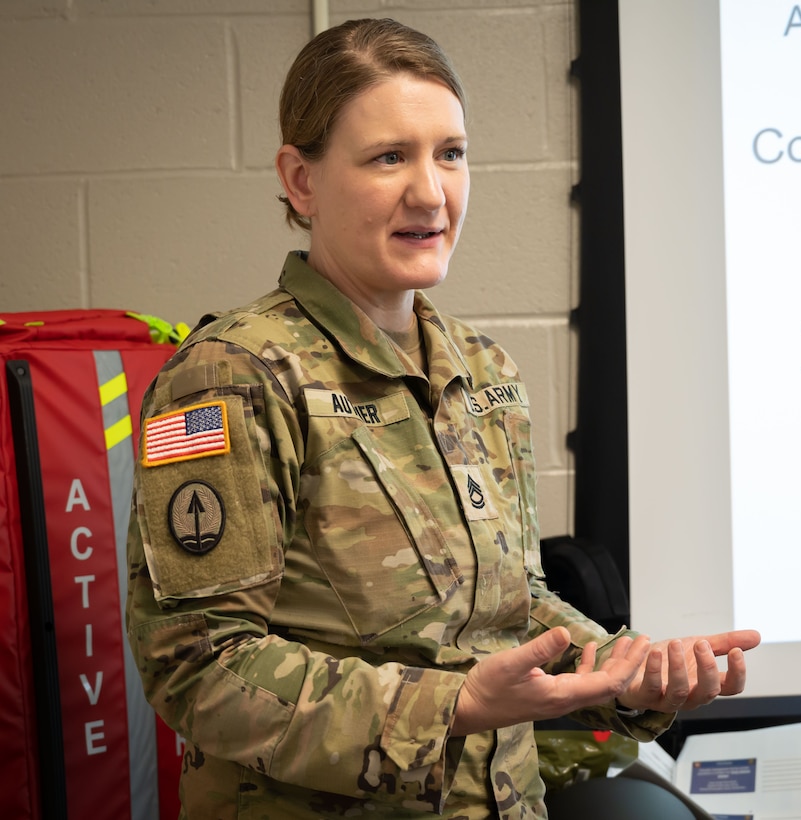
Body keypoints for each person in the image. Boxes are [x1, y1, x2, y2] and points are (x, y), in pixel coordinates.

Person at [124, 17, 760, 819]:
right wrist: (449, 707)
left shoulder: (480, 368)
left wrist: (622, 669)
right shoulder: (234, 377)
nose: (430, 192)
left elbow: (512, 602)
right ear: (301, 180)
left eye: (449, 153)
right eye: (389, 157)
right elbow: (199, 666)